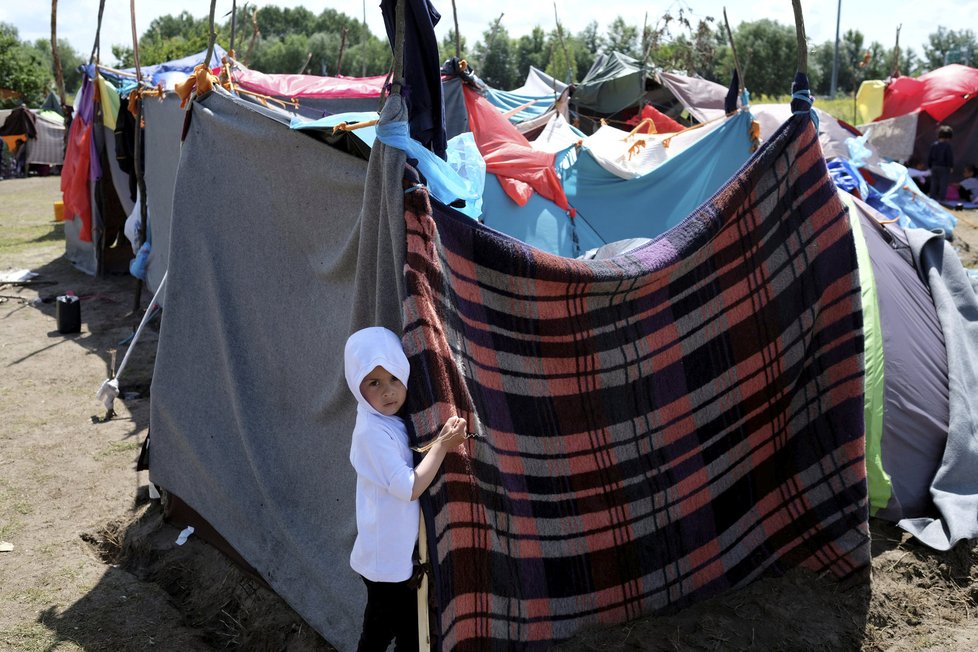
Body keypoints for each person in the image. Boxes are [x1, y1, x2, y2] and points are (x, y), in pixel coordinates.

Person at [344, 326, 469, 652]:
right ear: (357, 386)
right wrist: (442, 445)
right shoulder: (371, 433)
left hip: (399, 559)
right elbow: (408, 487)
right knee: (381, 635)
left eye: (394, 379)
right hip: (386, 565)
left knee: (410, 635)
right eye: (374, 383)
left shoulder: (392, 420)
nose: (388, 392)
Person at [927, 125, 954, 201]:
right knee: (943, 184)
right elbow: (949, 157)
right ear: (949, 136)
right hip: (944, 167)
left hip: (934, 166)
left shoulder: (934, 145)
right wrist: (951, 166)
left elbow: (929, 157)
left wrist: (929, 166)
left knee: (934, 183)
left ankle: (932, 198)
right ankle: (942, 199)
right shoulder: (947, 146)